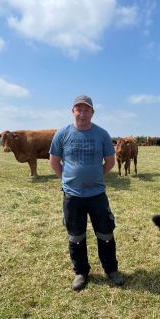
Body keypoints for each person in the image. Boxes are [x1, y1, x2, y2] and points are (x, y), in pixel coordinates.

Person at [49, 94, 124, 291]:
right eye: (78, 109)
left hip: (97, 194)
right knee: (76, 235)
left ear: (92, 112)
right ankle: (81, 272)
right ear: (72, 111)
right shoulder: (62, 133)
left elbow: (110, 161)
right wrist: (67, 179)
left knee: (106, 233)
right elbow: (54, 161)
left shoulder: (102, 134)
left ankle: (111, 270)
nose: (82, 113)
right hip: (72, 196)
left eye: (86, 109)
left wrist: (96, 177)